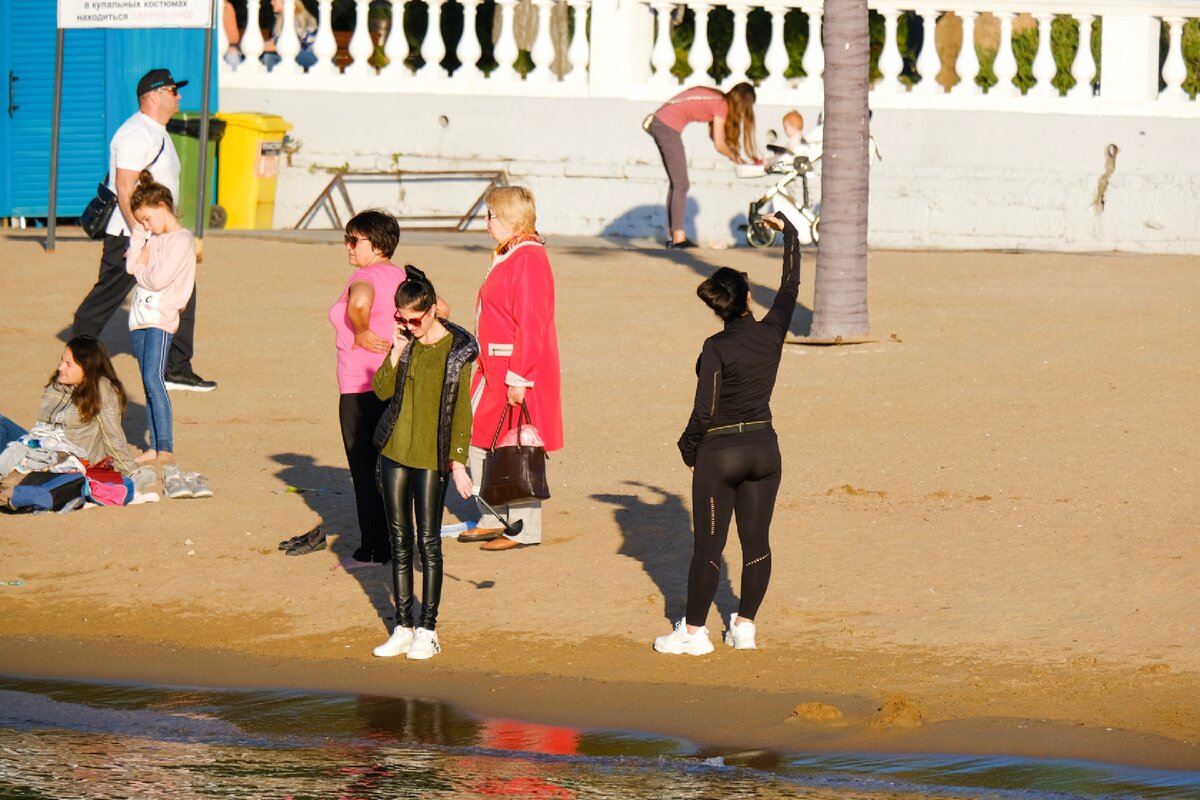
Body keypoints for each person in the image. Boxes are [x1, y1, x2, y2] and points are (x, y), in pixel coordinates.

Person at [653, 213, 799, 656]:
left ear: (717, 307)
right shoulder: (772, 332)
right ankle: (745, 626)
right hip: (764, 450)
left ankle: (693, 634)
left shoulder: (715, 347)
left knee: (709, 549)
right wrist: (790, 233)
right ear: (749, 298)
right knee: (757, 543)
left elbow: (706, 409)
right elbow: (791, 285)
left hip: (721, 454)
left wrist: (688, 449)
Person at [69, 69, 215, 393]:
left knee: (185, 292)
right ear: (153, 95)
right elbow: (124, 187)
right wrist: (141, 237)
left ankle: (176, 368)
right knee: (104, 299)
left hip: (156, 234)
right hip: (130, 234)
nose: (179, 96)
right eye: (174, 90)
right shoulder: (136, 133)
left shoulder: (156, 131)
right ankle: (75, 362)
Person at [370, 267, 478, 661]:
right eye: (402, 317)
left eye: (415, 319)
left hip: (432, 459)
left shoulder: (456, 351)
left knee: (428, 543)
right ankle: (403, 625)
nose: (409, 325)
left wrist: (459, 462)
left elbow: (462, 412)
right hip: (394, 453)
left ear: (433, 310)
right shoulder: (407, 343)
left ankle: (428, 629)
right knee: (399, 542)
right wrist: (395, 350)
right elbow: (382, 389)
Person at [456, 186, 563, 551]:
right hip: (493, 366)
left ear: (512, 220)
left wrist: (520, 377)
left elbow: (532, 324)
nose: (486, 222)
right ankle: (491, 517)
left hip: (512, 370)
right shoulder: (513, 253)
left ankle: (522, 527)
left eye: (491, 215)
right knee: (479, 439)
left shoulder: (529, 258)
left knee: (515, 444)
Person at [327, 210, 407, 567]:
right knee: (393, 468)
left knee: (365, 469)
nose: (348, 246)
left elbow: (360, 302)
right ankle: (399, 543)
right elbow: (441, 308)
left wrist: (360, 330)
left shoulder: (364, 275)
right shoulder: (403, 277)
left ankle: (374, 548)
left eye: (354, 240)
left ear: (375, 244)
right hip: (396, 384)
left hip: (360, 387)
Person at [126, 171, 210, 500]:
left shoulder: (182, 240)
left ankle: (166, 447)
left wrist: (143, 266)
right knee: (146, 382)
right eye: (141, 222)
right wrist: (139, 238)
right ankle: (153, 446)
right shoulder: (150, 236)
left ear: (162, 206)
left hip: (161, 317)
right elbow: (131, 266)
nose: (147, 226)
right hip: (139, 317)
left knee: (154, 377)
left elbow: (157, 279)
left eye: (147, 218)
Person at [0, 336, 154, 494]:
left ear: (87, 368)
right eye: (62, 361)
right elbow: (42, 429)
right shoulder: (58, 385)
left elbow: (113, 437)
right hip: (42, 449)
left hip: (71, 460)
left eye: (69, 364)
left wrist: (131, 472)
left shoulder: (101, 389)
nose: (61, 367)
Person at [646, 82, 759, 249]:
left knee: (677, 183)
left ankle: (675, 234)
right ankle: (678, 238)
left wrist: (733, 154)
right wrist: (735, 157)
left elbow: (715, 137)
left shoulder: (718, 100)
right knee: (681, 184)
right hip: (667, 127)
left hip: (662, 123)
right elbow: (719, 144)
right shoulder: (722, 104)